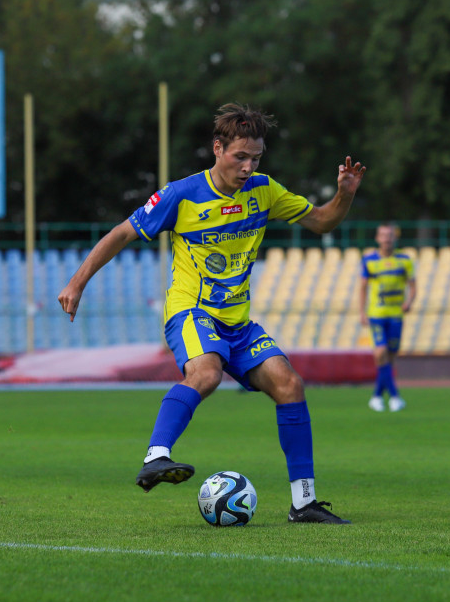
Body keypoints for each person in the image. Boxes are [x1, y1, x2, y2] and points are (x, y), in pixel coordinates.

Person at [58, 103, 366, 524]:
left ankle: (303, 503)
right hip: (191, 310)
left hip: (238, 322)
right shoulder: (181, 194)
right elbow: (123, 232)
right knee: (205, 373)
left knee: (289, 384)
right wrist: (77, 283)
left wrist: (344, 194)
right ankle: (156, 457)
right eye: (240, 157)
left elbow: (322, 222)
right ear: (217, 148)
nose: (247, 167)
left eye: (255, 158)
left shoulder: (264, 190)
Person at [358, 223, 416, 412]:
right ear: (377, 238)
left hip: (396, 316)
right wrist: (362, 312)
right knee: (380, 353)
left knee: (390, 358)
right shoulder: (369, 260)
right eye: (383, 235)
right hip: (377, 314)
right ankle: (395, 396)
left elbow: (413, 286)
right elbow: (363, 287)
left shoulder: (405, 260)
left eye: (389, 235)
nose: (386, 238)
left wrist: (409, 302)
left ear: (395, 238)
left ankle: (376, 396)